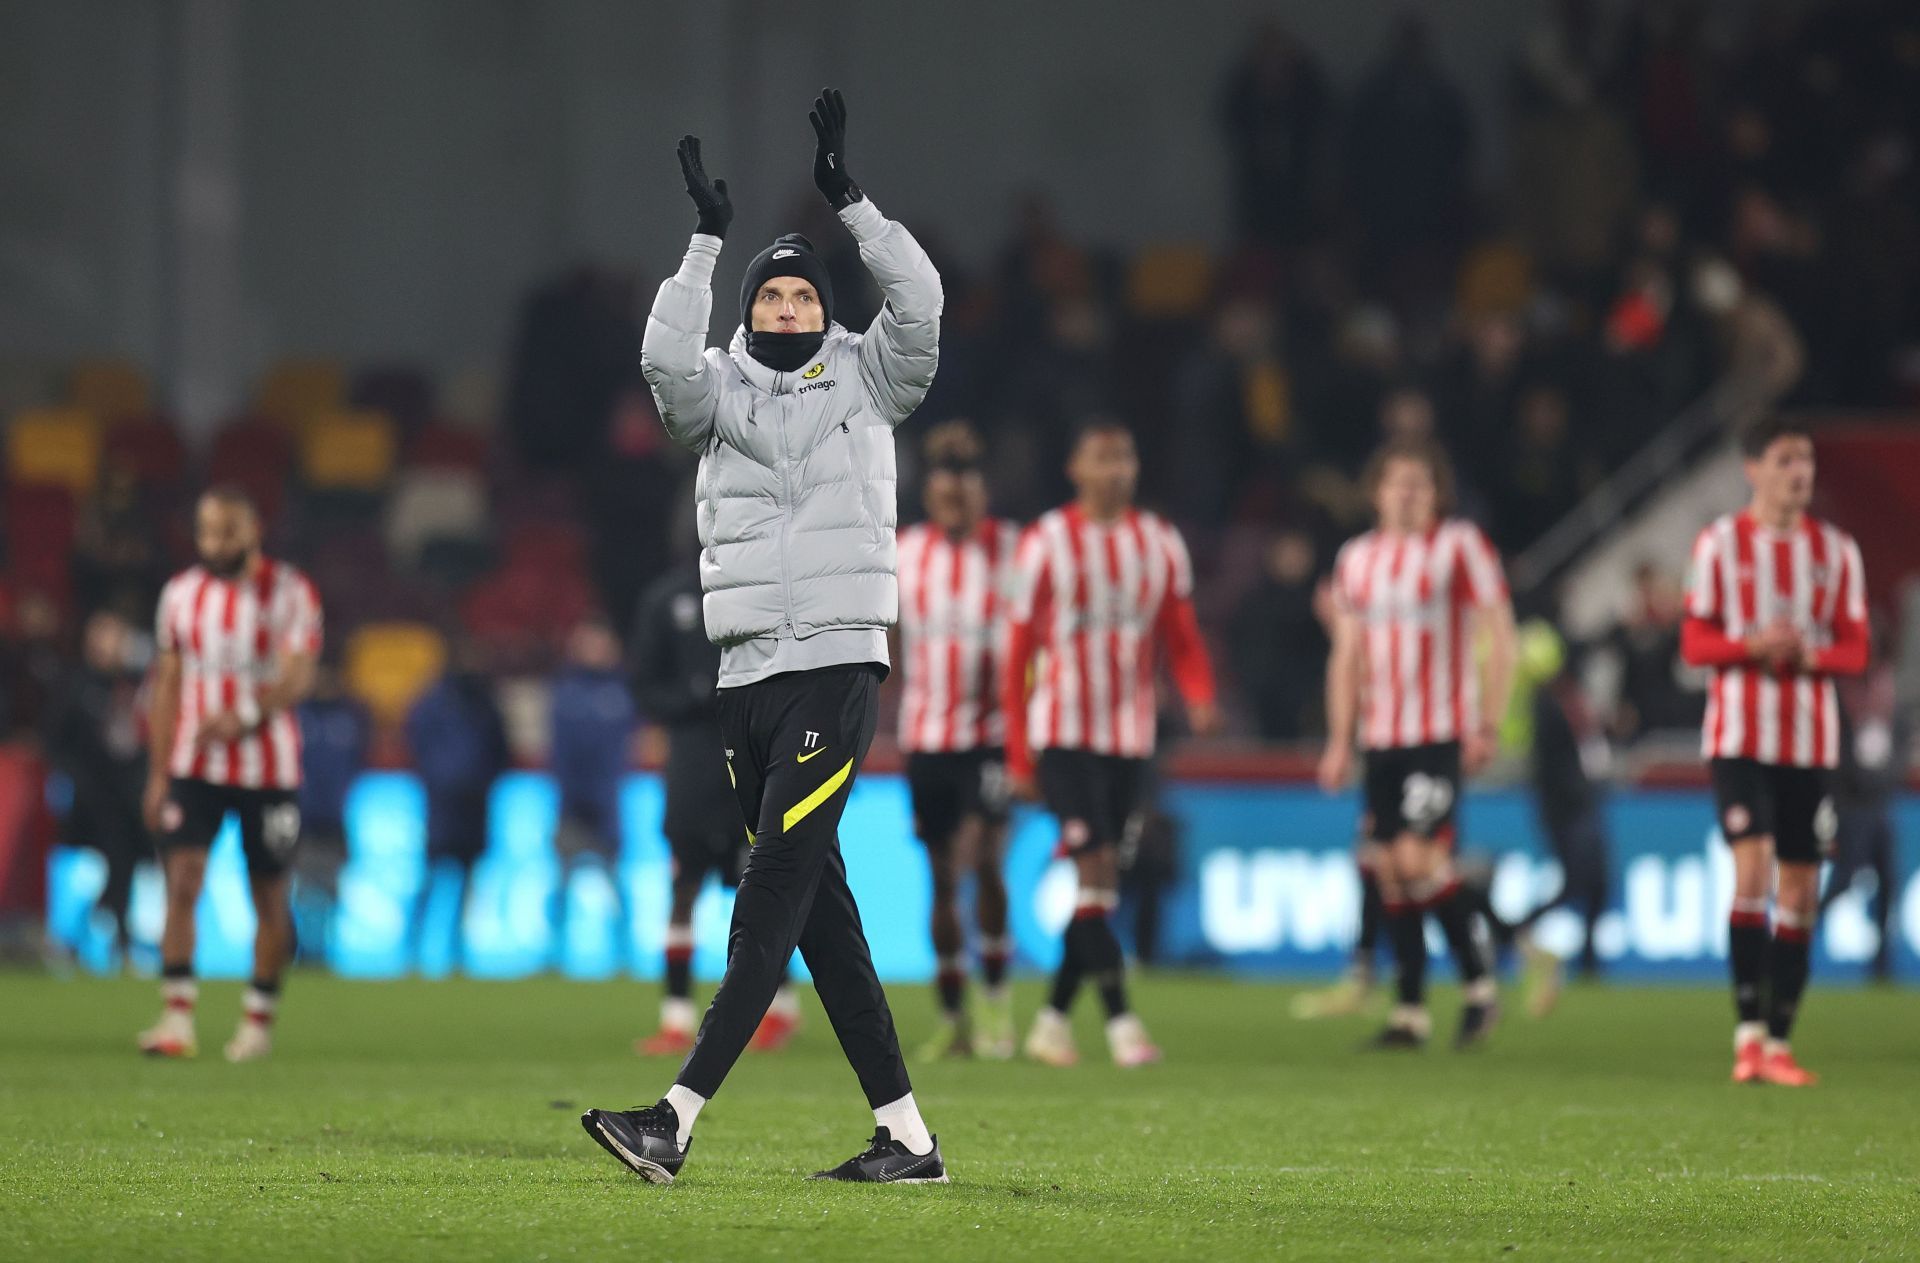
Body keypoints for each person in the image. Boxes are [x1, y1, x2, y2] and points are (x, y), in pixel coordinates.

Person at [581, 88, 948, 1186]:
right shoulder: (717, 393)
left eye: (802, 292)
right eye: (771, 293)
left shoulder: (870, 379)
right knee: (820, 910)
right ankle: (910, 1141)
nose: (788, 306)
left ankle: (676, 1117)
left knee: (772, 884)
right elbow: (660, 363)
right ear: (747, 311)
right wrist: (703, 243)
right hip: (747, 675)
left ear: (822, 309)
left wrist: (853, 204)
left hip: (834, 664)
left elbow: (921, 306)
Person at [1002, 419, 1219, 1069]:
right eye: (1102, 457)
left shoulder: (1159, 542)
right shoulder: (1046, 541)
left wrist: (1199, 691)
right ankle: (1124, 1023)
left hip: (1130, 736)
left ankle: (1050, 1021)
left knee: (1100, 889)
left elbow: (1180, 632)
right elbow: (1018, 654)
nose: (1116, 468)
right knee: (1094, 868)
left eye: (1124, 456)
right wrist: (1018, 749)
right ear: (1077, 468)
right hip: (1064, 733)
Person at [1681, 416, 1868, 1086]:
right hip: (1738, 738)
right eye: (1787, 459)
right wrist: (1753, 647)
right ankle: (1747, 1034)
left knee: (1800, 890)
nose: (1801, 473)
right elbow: (1695, 642)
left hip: (1810, 743)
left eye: (1807, 460)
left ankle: (1780, 1044)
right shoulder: (1721, 544)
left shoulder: (1838, 551)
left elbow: (1856, 645)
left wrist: (1810, 654)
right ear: (1752, 467)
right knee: (1752, 867)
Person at [1317, 439, 1517, 1051]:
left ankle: (1480, 986)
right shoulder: (1356, 558)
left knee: (1413, 859)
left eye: (1419, 483)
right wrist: (1338, 740)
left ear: (1437, 493)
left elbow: (1499, 633)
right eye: (1395, 482)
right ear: (1375, 491)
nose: (1406, 493)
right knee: (1388, 871)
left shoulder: (1459, 546)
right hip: (1381, 736)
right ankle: (1411, 1013)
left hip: (1438, 731)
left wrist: (1488, 722)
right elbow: (1346, 654)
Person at [137, 487, 322, 1061]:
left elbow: (299, 677)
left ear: (254, 529)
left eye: (228, 531)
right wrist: (159, 772)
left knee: (268, 894)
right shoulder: (180, 594)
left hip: (269, 769)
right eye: (207, 531)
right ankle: (177, 1019)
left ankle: (257, 1022)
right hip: (195, 765)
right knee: (182, 881)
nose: (217, 542)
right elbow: (168, 685)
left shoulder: (290, 591)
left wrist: (243, 715)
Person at [629, 559, 801, 1056]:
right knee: (684, 886)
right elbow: (645, 687)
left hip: (751, 759)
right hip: (691, 769)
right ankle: (676, 1016)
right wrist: (691, 696)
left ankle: (780, 1009)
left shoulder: (762, 588)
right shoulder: (665, 600)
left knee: (759, 887)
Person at [895, 420, 1022, 1061]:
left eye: (966, 482)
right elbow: (883, 643)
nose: (955, 495)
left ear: (982, 489)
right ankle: (955, 1017)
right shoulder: (905, 553)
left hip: (991, 739)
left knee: (986, 859)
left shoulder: (1014, 552)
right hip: (926, 739)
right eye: (945, 483)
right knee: (942, 879)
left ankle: (997, 1006)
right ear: (930, 493)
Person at [46, 609, 148, 968]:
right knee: (99, 868)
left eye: (117, 637)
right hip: (91, 796)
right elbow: (56, 741)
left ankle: (113, 938)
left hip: (128, 795)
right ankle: (83, 936)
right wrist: (76, 779)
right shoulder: (76, 685)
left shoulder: (135, 685)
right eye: (103, 637)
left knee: (126, 867)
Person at [405, 643, 510, 974]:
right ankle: (414, 949)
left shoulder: (484, 702)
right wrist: (441, 778)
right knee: (432, 878)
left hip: (474, 807)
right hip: (443, 805)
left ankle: (456, 951)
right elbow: (417, 740)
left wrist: (481, 782)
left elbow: (501, 750)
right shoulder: (437, 701)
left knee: (465, 882)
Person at [547, 617, 636, 968]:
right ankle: (554, 953)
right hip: (571, 807)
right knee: (563, 883)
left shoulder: (622, 692)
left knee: (616, 884)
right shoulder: (565, 692)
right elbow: (560, 755)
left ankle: (625, 954)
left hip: (608, 808)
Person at [290, 662, 369, 965]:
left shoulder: (349, 718)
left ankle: (322, 950)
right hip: (303, 819)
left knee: (330, 889)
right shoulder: (300, 716)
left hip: (335, 819)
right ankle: (302, 950)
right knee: (303, 890)